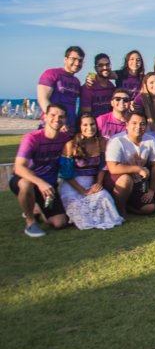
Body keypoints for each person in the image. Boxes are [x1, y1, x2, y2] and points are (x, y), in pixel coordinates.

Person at [11, 104, 70, 237]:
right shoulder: (32, 138)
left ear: (65, 119)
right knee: (26, 184)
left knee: (60, 223)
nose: (57, 119)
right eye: (53, 115)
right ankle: (30, 222)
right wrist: (40, 183)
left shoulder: (65, 139)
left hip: (49, 186)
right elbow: (19, 167)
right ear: (45, 117)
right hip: (27, 180)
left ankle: (37, 209)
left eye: (61, 116)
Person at [59, 113, 124, 229]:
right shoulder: (70, 145)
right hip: (73, 185)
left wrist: (98, 183)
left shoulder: (101, 142)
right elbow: (66, 174)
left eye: (92, 124)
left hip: (92, 182)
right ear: (79, 127)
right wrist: (83, 192)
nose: (89, 128)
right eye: (85, 125)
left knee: (104, 198)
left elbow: (103, 167)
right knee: (79, 210)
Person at [105, 111, 155, 216]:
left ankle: (127, 206)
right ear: (127, 125)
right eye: (134, 123)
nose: (138, 126)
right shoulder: (117, 140)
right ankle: (118, 211)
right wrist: (138, 169)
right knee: (126, 180)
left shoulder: (151, 140)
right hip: (117, 180)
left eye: (142, 124)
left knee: (149, 208)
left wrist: (151, 190)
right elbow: (112, 168)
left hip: (138, 182)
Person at [37, 46, 84, 132]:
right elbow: (42, 99)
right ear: (65, 59)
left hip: (69, 129)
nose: (77, 63)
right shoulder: (51, 74)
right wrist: (57, 121)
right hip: (50, 127)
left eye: (80, 61)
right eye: (73, 59)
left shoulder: (77, 82)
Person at [80, 53, 116, 117]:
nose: (105, 68)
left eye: (107, 65)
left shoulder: (111, 86)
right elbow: (86, 114)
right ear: (95, 68)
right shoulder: (89, 86)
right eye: (100, 65)